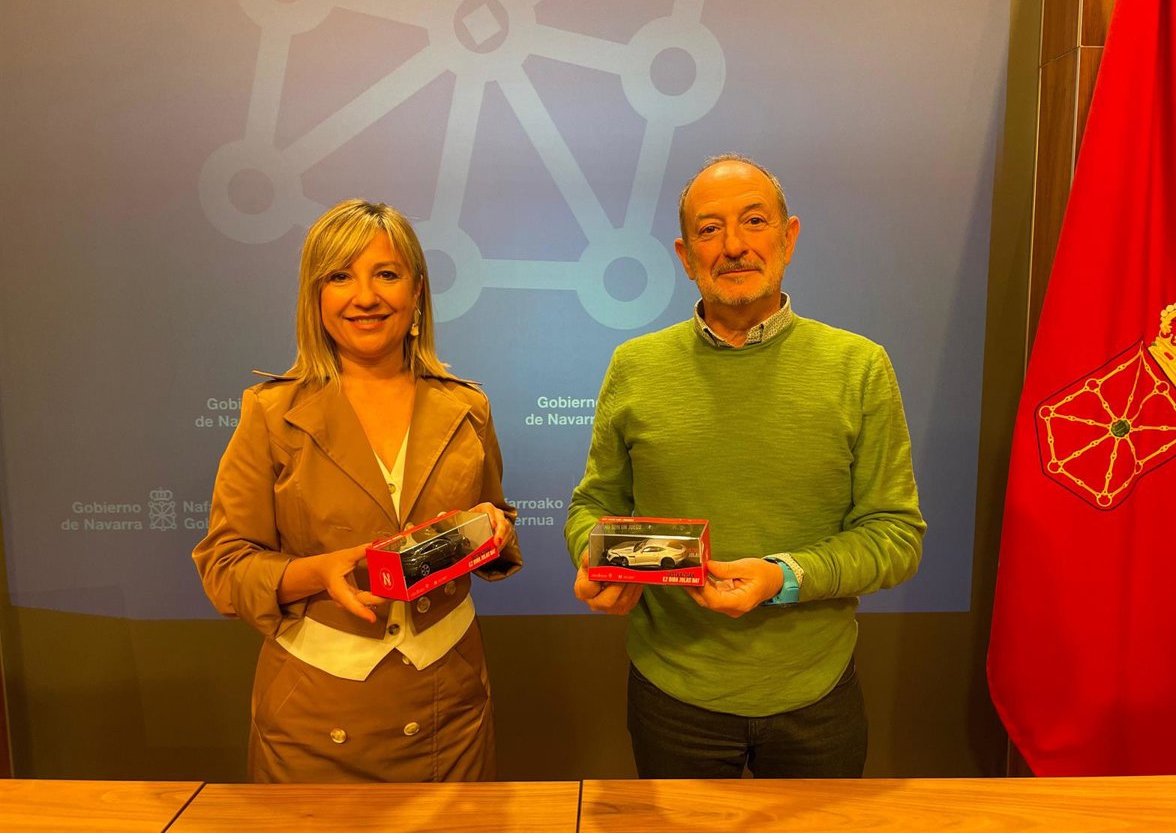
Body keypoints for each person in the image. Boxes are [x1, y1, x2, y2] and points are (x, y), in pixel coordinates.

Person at [564, 154, 925, 779]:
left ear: (789, 238)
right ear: (685, 256)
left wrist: (783, 576)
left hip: (817, 693)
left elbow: (896, 535)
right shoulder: (635, 366)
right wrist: (598, 560)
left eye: (754, 221)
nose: (733, 246)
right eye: (710, 229)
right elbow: (593, 505)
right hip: (672, 690)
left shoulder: (859, 366)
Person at [194, 199, 521, 783]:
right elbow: (226, 566)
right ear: (315, 297)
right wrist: (316, 573)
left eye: (386, 274)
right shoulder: (270, 412)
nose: (365, 296)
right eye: (340, 276)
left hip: (450, 716)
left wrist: (492, 529)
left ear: (416, 292)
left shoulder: (467, 407)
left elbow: (492, 511)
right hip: (314, 723)